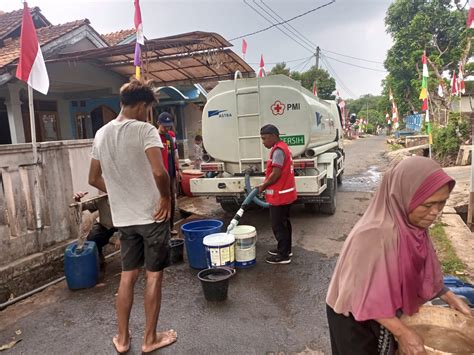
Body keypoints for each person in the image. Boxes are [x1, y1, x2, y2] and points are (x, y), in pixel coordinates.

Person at [326, 156, 473, 355]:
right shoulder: (374, 235)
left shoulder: (412, 227)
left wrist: (449, 296)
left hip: (384, 311)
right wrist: (403, 333)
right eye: (428, 205)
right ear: (403, 196)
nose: (435, 212)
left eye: (442, 203)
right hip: (353, 319)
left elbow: (422, 270)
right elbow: (362, 296)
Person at [88, 79, 177, 354]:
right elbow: (160, 172)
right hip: (152, 215)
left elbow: (93, 178)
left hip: (124, 219)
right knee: (153, 276)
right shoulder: (144, 130)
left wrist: (119, 193)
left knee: (127, 276)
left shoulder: (101, 134)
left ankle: (123, 339)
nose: (147, 114)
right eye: (147, 108)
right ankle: (150, 339)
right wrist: (165, 197)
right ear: (140, 106)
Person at [257, 124, 297, 265]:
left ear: (274, 136)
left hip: (279, 196)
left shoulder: (278, 150)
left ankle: (283, 255)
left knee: (278, 225)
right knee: (285, 224)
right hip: (286, 194)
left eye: (265, 138)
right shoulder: (282, 147)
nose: (263, 142)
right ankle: (286, 249)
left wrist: (263, 186)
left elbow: (276, 174)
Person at [73, 192, 117, 268]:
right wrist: (78, 199)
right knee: (93, 236)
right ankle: (99, 259)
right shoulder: (101, 199)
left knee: (130, 238)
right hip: (106, 226)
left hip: (124, 226)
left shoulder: (122, 197)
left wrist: (120, 236)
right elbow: (82, 207)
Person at [156, 112, 180, 236]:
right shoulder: (154, 136)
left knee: (171, 200)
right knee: (160, 200)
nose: (167, 128)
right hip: (159, 175)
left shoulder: (170, 136)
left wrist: (178, 169)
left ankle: (170, 227)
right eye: (165, 126)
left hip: (170, 174)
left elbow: (174, 153)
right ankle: (160, 228)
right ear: (158, 123)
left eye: (169, 126)